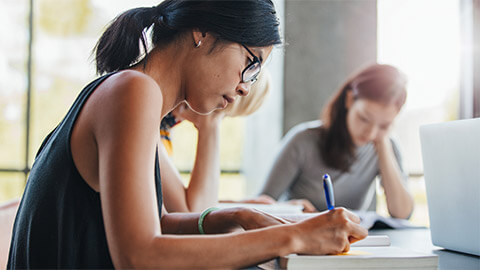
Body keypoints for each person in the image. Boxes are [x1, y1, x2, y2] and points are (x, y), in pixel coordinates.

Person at [7, 1, 367, 269]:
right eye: (250, 64)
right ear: (202, 32)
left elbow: (158, 221)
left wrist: (238, 216)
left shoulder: (132, 93)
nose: (244, 88)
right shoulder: (133, 91)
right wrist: (293, 235)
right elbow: (139, 255)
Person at [259, 64, 414, 219]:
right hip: (300, 236)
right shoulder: (303, 140)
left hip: (350, 241)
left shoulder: (386, 146)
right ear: (349, 100)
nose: (371, 132)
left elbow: (402, 214)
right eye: (364, 119)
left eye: (384, 125)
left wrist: (383, 146)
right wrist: (288, 209)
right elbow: (260, 205)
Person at [160, 70, 272, 213]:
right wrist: (210, 125)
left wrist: (235, 204)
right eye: (223, 114)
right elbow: (196, 214)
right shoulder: (154, 119)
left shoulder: (166, 125)